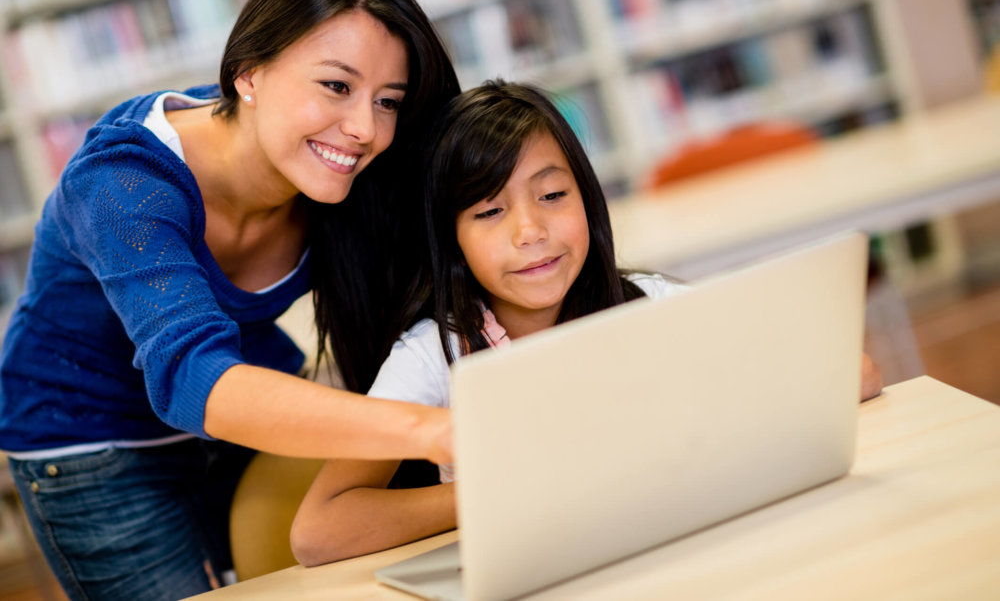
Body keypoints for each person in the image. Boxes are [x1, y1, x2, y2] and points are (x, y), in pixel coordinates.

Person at [0, 0, 459, 601]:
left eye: (388, 101)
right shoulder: (120, 182)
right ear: (248, 72)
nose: (363, 129)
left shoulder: (339, 178)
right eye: (335, 86)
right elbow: (196, 378)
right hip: (87, 441)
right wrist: (425, 427)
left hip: (240, 412)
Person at [289, 80, 885, 567]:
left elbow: (853, 375)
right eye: (490, 211)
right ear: (453, 242)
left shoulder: (645, 303)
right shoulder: (434, 354)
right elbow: (319, 531)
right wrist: (508, 494)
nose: (530, 231)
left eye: (552, 195)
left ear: (589, 199)